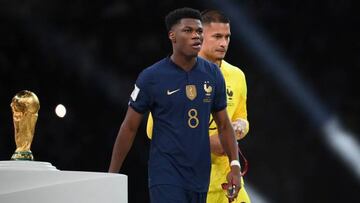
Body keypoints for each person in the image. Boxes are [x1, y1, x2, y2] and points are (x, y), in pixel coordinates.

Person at [108, 7, 241, 203]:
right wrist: (112, 175)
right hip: (166, 174)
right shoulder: (151, 77)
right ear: (172, 36)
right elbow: (129, 127)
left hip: (200, 174)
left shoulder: (213, 75)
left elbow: (224, 125)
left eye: (199, 32)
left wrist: (235, 165)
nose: (196, 36)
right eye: (188, 31)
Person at [199, 9, 251, 203]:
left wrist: (240, 127)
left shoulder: (236, 75)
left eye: (227, 37)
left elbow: (241, 117)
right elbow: (154, 131)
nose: (223, 43)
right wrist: (207, 143)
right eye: (217, 37)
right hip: (192, 183)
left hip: (228, 180)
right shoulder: (177, 76)